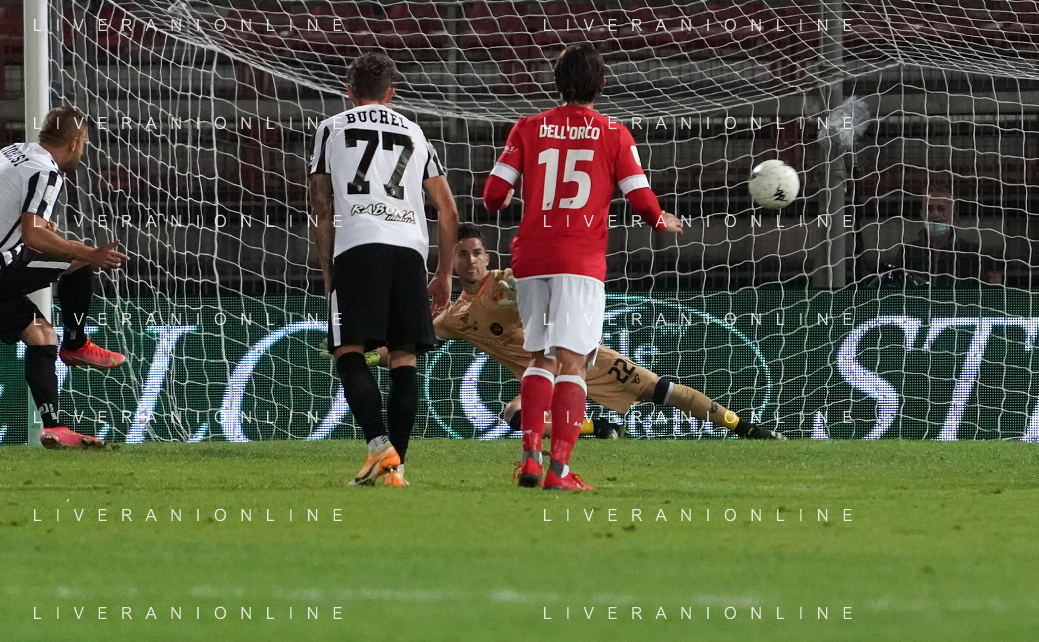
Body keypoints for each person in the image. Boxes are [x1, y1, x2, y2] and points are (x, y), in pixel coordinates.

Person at [483, 42, 683, 491]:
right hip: (579, 260)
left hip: (531, 258)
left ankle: (529, 459)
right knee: (572, 365)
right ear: (602, 85)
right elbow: (639, 197)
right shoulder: (614, 133)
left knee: (540, 358)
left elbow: (492, 195)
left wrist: (509, 197)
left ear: (557, 84)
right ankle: (558, 471)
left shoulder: (527, 127)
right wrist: (660, 220)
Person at [432, 224, 786, 445]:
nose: (471, 260)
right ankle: (599, 427)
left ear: (487, 257)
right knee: (516, 416)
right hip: (542, 377)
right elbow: (418, 338)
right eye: (462, 254)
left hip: (583, 358)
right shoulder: (454, 318)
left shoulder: (510, 279)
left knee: (662, 391)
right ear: (451, 261)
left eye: (476, 253)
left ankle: (746, 429)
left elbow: (549, 282)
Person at [309, 51, 459, 487]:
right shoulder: (415, 132)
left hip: (359, 245)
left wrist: (328, 269)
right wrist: (444, 273)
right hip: (409, 250)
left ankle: (379, 447)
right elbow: (448, 210)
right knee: (403, 355)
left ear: (349, 91)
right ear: (391, 94)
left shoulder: (330, 128)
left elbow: (322, 206)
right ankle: (397, 467)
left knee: (348, 349)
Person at [0, 105, 128, 449]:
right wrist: (90, 253)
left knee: (41, 336)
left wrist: (36, 230)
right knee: (79, 260)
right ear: (75, 142)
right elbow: (33, 236)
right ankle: (76, 344)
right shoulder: (47, 172)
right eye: (84, 143)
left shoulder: (12, 152)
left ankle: (54, 428)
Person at [882, 188, 1002, 286]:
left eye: (942, 209)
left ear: (954, 215)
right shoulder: (908, 252)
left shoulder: (972, 253)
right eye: (930, 209)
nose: (935, 214)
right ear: (922, 214)